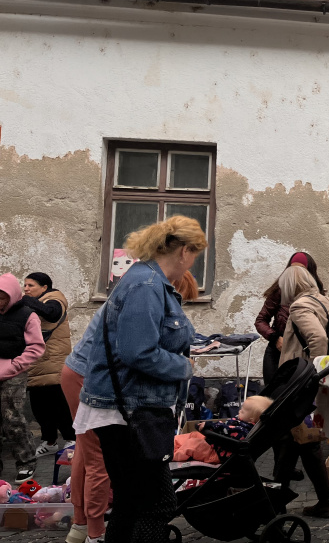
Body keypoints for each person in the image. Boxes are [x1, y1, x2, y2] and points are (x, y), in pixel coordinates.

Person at [77, 215, 206, 543]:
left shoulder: (147, 281)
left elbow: (158, 338)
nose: (192, 263)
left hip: (127, 409)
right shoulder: (146, 285)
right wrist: (184, 367)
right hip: (129, 411)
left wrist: (208, 343)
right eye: (194, 255)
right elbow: (139, 352)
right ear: (183, 251)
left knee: (130, 502)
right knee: (157, 504)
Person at [274, 263, 329, 519]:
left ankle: (280, 500)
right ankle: (319, 501)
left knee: (294, 439)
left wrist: (312, 377)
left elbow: (319, 339)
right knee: (297, 440)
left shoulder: (300, 306)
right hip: (310, 384)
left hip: (297, 382)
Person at [20, 272, 75, 457]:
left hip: (53, 363)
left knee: (60, 404)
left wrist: (25, 300)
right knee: (39, 407)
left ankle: (71, 440)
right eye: (25, 285)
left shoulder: (54, 299)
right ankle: (49, 441)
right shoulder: (33, 303)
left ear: (44, 287)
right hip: (36, 364)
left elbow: (52, 314)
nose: (26, 289)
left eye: (31, 285)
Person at [0, 273, 45, 483]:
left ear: (12, 296)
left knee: (13, 418)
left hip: (14, 374)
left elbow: (36, 348)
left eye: (2, 297)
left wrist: (14, 366)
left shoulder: (27, 315)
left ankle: (26, 462)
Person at [255, 252, 324, 385]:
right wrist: (275, 338)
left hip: (303, 349)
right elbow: (261, 321)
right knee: (272, 394)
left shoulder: (317, 295)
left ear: (308, 272)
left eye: (300, 270)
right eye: (292, 269)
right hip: (278, 349)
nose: (295, 273)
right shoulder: (279, 290)